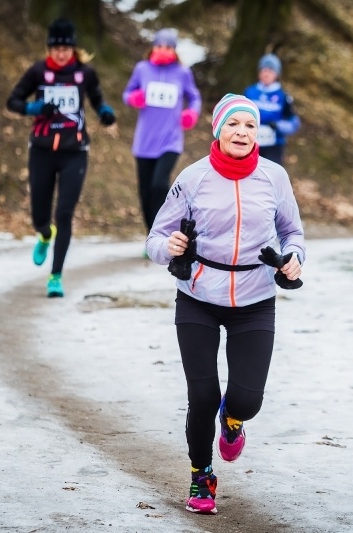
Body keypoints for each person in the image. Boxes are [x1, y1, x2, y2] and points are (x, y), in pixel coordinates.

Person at [146, 94, 306, 515]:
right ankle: (202, 476)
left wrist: (294, 260)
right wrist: (170, 246)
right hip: (199, 297)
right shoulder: (193, 178)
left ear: (257, 133)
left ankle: (232, 421)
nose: (242, 132)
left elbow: (294, 234)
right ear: (218, 130)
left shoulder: (274, 177)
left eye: (249, 126)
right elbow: (154, 239)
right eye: (233, 124)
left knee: (247, 400)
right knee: (202, 396)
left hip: (255, 298)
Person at [6, 18, 116, 298]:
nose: (61, 53)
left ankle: (55, 276)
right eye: (56, 47)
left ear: (74, 48)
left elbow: (98, 100)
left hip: (74, 152)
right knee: (40, 216)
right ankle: (44, 235)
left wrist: (105, 113)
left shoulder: (85, 74)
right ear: (49, 48)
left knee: (64, 213)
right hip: (41, 151)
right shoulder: (38, 71)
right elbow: (13, 101)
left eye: (66, 47)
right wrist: (34, 107)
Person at [122, 28, 202, 240]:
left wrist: (191, 113)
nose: (163, 50)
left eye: (168, 47)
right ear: (153, 47)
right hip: (144, 142)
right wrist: (134, 98)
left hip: (170, 140)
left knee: (159, 185)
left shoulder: (182, 73)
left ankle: (165, 229)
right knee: (146, 192)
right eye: (159, 46)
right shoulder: (142, 69)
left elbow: (194, 97)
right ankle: (152, 237)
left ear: (174, 50)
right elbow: (127, 93)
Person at [243, 53, 301, 166]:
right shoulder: (250, 92)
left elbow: (293, 122)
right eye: (264, 70)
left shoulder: (283, 96)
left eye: (270, 70)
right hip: (249, 141)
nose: (266, 73)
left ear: (277, 74)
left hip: (273, 145)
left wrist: (277, 125)